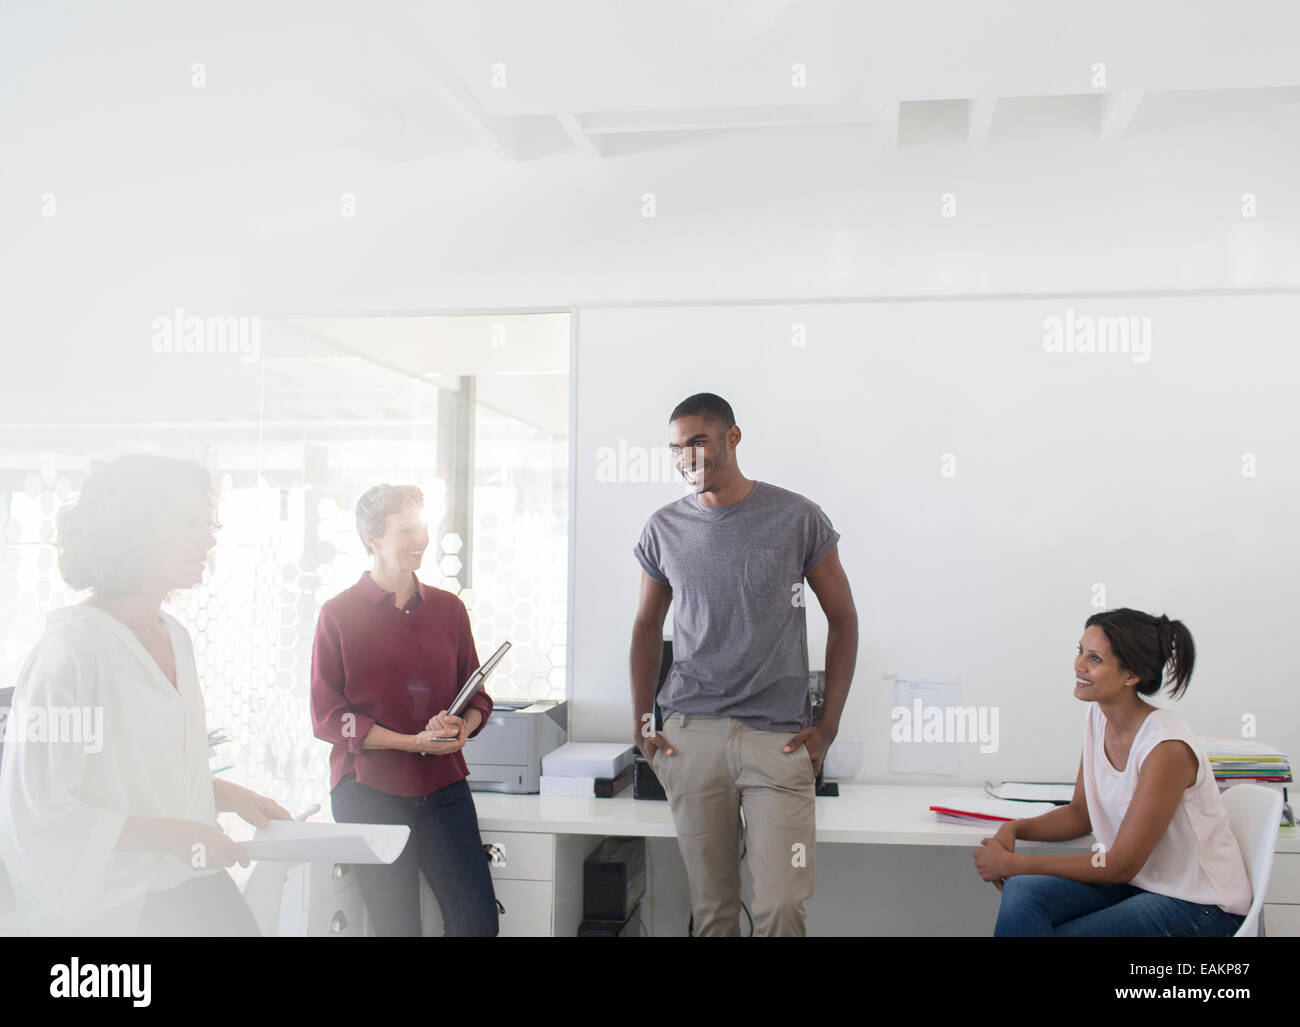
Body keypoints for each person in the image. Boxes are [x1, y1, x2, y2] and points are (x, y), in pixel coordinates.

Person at [0, 454, 290, 936]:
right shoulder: (75, 651)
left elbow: (137, 775)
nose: (209, 538)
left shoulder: (174, 635)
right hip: (116, 909)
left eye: (209, 522)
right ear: (132, 530)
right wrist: (177, 836)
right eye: (189, 523)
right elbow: (43, 811)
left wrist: (225, 795)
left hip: (187, 882)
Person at [630, 392, 858, 936]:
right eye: (676, 448)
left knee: (782, 904)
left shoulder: (797, 517)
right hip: (691, 737)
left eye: (698, 441)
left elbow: (844, 619)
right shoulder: (663, 529)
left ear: (732, 437)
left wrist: (829, 727)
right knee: (713, 915)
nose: (687, 457)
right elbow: (644, 627)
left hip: (776, 741)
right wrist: (642, 724)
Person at [974, 608, 1251, 936]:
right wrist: (1015, 829)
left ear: (1130, 675)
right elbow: (1081, 814)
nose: (1079, 665)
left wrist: (1017, 865)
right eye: (1080, 652)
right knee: (1023, 894)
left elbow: (1121, 864)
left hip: (1200, 903)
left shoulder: (1166, 747)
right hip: (1142, 883)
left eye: (1094, 659)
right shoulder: (1098, 718)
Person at [311, 483, 498, 936]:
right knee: (397, 928)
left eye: (423, 527)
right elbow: (328, 716)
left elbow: (477, 695)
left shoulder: (449, 609)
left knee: (477, 923)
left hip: (442, 785)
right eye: (407, 529)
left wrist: (462, 727)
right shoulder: (337, 614)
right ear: (373, 539)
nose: (421, 539)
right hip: (368, 788)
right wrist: (412, 743)